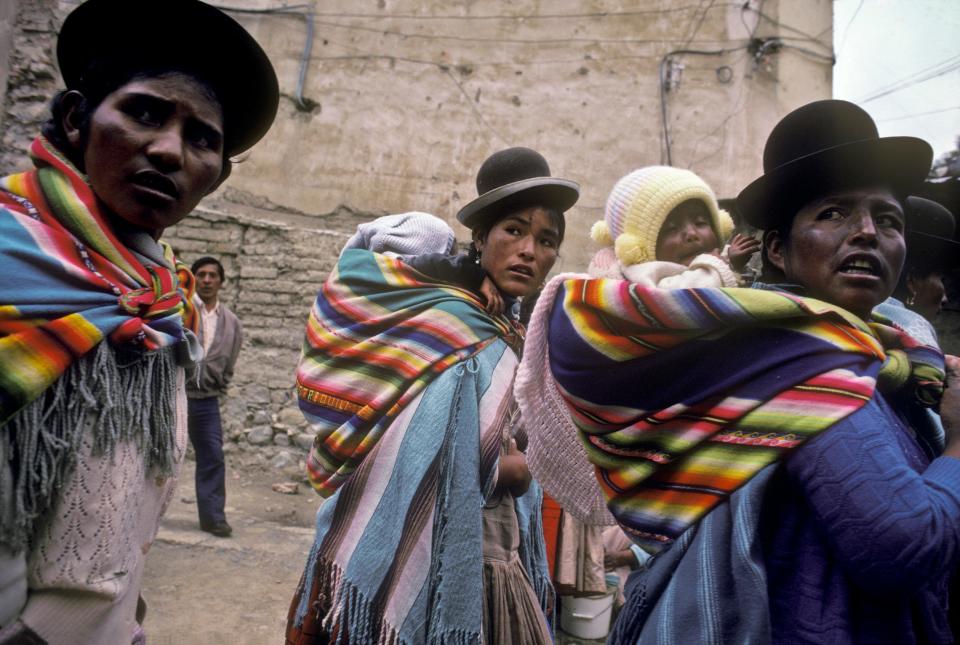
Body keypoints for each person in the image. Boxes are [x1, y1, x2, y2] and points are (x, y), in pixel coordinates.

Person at [519, 99, 960, 644]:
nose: (867, 231)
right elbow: (902, 548)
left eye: (887, 219)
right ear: (778, 249)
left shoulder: (883, 357)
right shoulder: (800, 361)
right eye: (832, 213)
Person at [0, 0, 278, 642]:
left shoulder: (160, 295)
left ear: (216, 178)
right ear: (76, 119)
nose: (168, 150)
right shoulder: (12, 260)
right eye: (144, 112)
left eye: (201, 138)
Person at [286, 147, 578, 644]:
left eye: (546, 239)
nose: (530, 250)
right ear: (481, 238)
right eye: (514, 230)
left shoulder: (511, 331)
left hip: (493, 550)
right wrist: (522, 468)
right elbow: (429, 454)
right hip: (443, 544)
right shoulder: (450, 327)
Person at [586, 165, 759, 285]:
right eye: (671, 228)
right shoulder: (642, 273)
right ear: (640, 249)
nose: (691, 233)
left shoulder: (717, 256)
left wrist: (731, 260)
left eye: (700, 222)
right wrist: (725, 264)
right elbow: (681, 295)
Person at [187, 256, 242, 537]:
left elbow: (230, 360)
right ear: (193, 278)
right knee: (158, 455)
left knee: (212, 457)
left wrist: (220, 385)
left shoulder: (230, 321)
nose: (207, 280)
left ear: (221, 282)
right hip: (176, 396)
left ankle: (213, 519)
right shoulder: (182, 311)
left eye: (212, 275)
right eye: (201, 274)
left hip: (206, 401)